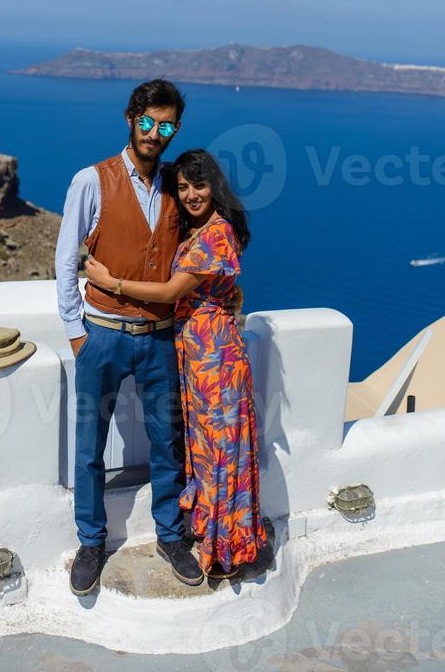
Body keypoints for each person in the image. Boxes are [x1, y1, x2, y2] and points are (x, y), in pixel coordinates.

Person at [86, 148, 268, 578]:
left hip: (216, 360)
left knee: (221, 452)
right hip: (195, 356)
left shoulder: (217, 233)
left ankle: (227, 546)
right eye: (182, 187)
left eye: (198, 185)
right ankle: (210, 532)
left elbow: (171, 292)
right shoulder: (199, 229)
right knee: (202, 450)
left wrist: (109, 283)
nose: (190, 194)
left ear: (215, 186)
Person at [55, 79, 204, 597]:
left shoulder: (176, 187)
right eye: (147, 121)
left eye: (166, 125)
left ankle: (171, 535)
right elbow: (66, 258)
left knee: (169, 442)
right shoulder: (91, 181)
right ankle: (91, 542)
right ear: (130, 119)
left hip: (161, 338)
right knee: (90, 447)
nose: (155, 133)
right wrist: (76, 333)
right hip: (103, 335)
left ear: (175, 129)